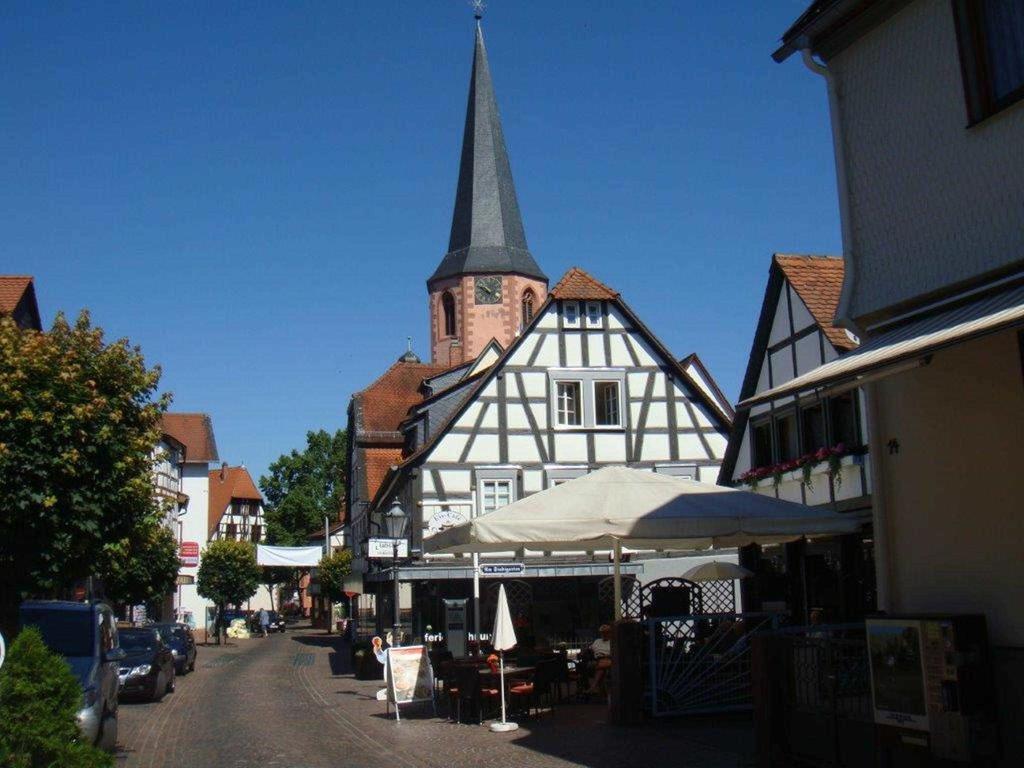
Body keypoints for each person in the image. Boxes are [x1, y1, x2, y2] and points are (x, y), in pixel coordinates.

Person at [586, 624, 613, 696]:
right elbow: (589, 649)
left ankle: (593, 687)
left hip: (607, 659)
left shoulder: (613, 642)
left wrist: (607, 655)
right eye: (603, 632)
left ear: (610, 633)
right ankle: (596, 689)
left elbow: (614, 654)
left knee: (601, 668)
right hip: (597, 660)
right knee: (600, 668)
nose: (604, 634)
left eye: (606, 632)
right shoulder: (597, 641)